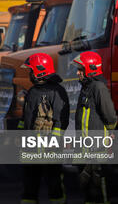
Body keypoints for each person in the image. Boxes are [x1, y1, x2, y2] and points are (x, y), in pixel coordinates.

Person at [19, 53, 69, 204]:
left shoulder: (57, 92)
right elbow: (26, 119)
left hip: (50, 149)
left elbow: (62, 120)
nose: (30, 74)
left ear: (40, 71)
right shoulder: (32, 92)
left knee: (54, 183)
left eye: (31, 70)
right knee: (29, 184)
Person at [72, 51, 118, 204]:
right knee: (88, 188)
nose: (78, 73)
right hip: (85, 147)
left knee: (99, 184)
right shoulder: (86, 87)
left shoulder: (98, 87)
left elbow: (110, 115)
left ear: (90, 69)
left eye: (81, 69)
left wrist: (110, 133)